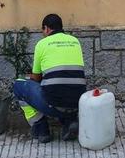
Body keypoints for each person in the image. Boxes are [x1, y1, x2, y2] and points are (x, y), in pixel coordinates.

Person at [13, 14, 85, 143]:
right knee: (66, 87)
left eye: (43, 31)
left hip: (52, 105)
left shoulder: (42, 44)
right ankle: (70, 121)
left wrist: (28, 77)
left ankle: (41, 129)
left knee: (19, 85)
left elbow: (36, 77)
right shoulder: (75, 41)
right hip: (77, 103)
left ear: (46, 28)